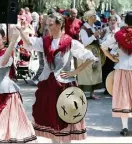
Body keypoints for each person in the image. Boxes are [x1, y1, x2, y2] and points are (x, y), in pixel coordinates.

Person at [17, 12, 99, 143]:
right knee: (51, 121)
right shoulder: (44, 41)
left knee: (65, 118)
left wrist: (74, 72)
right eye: (47, 24)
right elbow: (29, 43)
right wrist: (21, 31)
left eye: (51, 24)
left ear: (59, 24)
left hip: (65, 86)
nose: (48, 26)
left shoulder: (70, 42)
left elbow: (90, 57)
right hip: (48, 86)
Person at [101, 12, 132, 136]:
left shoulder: (118, 35)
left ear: (125, 22)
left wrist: (112, 58)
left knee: (123, 96)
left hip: (122, 68)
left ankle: (125, 127)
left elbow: (103, 46)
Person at [77, 10, 104, 100]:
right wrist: (94, 35)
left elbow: (97, 40)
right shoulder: (83, 29)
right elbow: (84, 43)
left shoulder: (95, 27)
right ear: (88, 18)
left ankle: (92, 93)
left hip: (95, 51)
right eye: (93, 15)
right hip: (86, 52)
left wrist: (99, 37)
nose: (95, 17)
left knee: (95, 72)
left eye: (95, 15)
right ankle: (81, 94)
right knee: (85, 73)